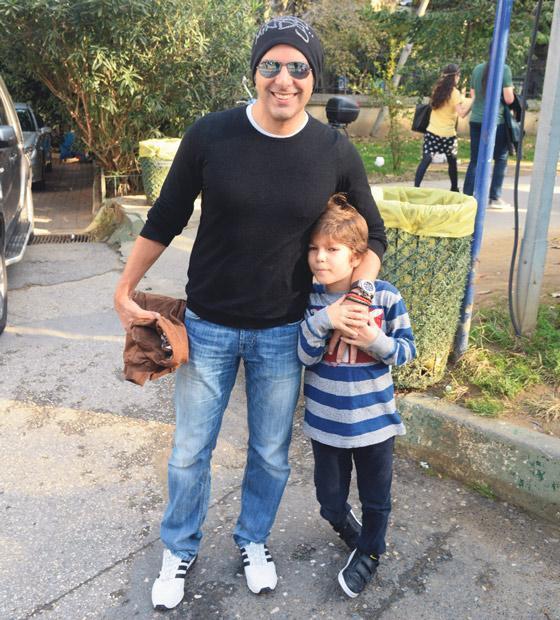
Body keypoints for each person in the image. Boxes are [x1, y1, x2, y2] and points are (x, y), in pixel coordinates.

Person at [113, 15, 387, 611]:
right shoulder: (211, 135)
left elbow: (375, 236)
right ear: (255, 71)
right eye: (271, 65)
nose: (284, 79)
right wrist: (125, 286)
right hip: (208, 325)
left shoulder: (334, 150)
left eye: (298, 67)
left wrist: (356, 297)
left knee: (268, 453)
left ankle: (253, 539)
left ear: (313, 77)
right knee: (190, 450)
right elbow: (165, 217)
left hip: (284, 332)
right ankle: (179, 547)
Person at [297, 194, 415, 598]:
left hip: (375, 424)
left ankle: (371, 551)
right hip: (325, 425)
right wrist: (324, 321)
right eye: (313, 248)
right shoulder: (309, 301)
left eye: (332, 249)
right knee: (329, 500)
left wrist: (373, 339)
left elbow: (406, 351)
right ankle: (352, 531)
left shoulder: (385, 297)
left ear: (357, 257)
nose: (320, 258)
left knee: (376, 498)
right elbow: (304, 356)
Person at [463, 56, 515, 208]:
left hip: (476, 120)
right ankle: (494, 197)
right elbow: (509, 99)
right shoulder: (504, 69)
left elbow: (473, 94)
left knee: (475, 160)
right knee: (501, 158)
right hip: (495, 121)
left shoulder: (477, 69)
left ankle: (467, 196)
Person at [414, 63, 472, 191]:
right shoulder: (455, 93)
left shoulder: (437, 89)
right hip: (448, 135)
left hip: (432, 132)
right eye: (459, 75)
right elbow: (462, 114)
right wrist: (473, 102)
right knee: (452, 162)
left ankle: (416, 187)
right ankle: (454, 188)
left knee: (426, 159)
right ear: (455, 76)